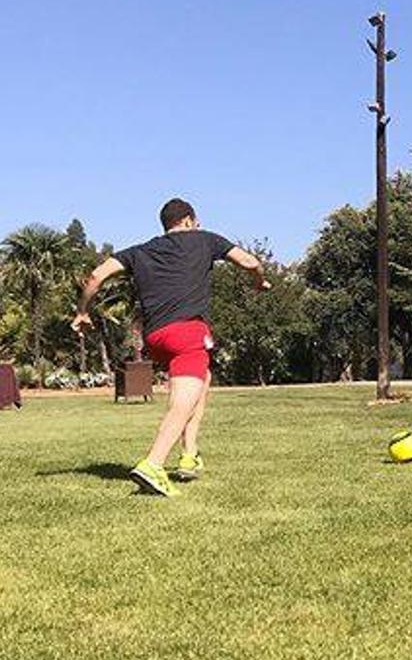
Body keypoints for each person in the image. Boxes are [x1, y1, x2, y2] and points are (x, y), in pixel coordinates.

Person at [72, 198, 271, 497]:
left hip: (156, 338)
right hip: (188, 333)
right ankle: (153, 464)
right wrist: (259, 282)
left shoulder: (140, 251)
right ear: (189, 220)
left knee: (202, 381)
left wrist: (82, 311)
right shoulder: (205, 239)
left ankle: (189, 454)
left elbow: (96, 275)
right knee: (182, 403)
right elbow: (250, 262)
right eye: (196, 223)